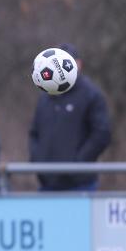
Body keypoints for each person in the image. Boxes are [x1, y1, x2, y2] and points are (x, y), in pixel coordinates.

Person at [29, 43, 111, 191]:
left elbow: (102, 134)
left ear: (79, 64)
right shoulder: (45, 96)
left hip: (80, 185)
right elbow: (34, 133)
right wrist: (38, 161)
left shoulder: (91, 94)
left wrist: (77, 164)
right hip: (47, 183)